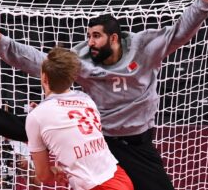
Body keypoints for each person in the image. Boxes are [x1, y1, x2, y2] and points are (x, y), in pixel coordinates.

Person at [0, 0, 208, 190]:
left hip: (137, 142)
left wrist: (203, 4)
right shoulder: (82, 56)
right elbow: (39, 61)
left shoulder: (145, 48)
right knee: (41, 122)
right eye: (88, 36)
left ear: (114, 38)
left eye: (96, 36)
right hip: (97, 139)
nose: (90, 42)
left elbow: (180, 32)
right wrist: (0, 42)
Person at [27, 47, 133, 190]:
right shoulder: (86, 99)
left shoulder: (36, 116)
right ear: (71, 78)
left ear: (44, 78)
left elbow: (43, 176)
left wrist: (54, 173)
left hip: (98, 186)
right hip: (120, 177)